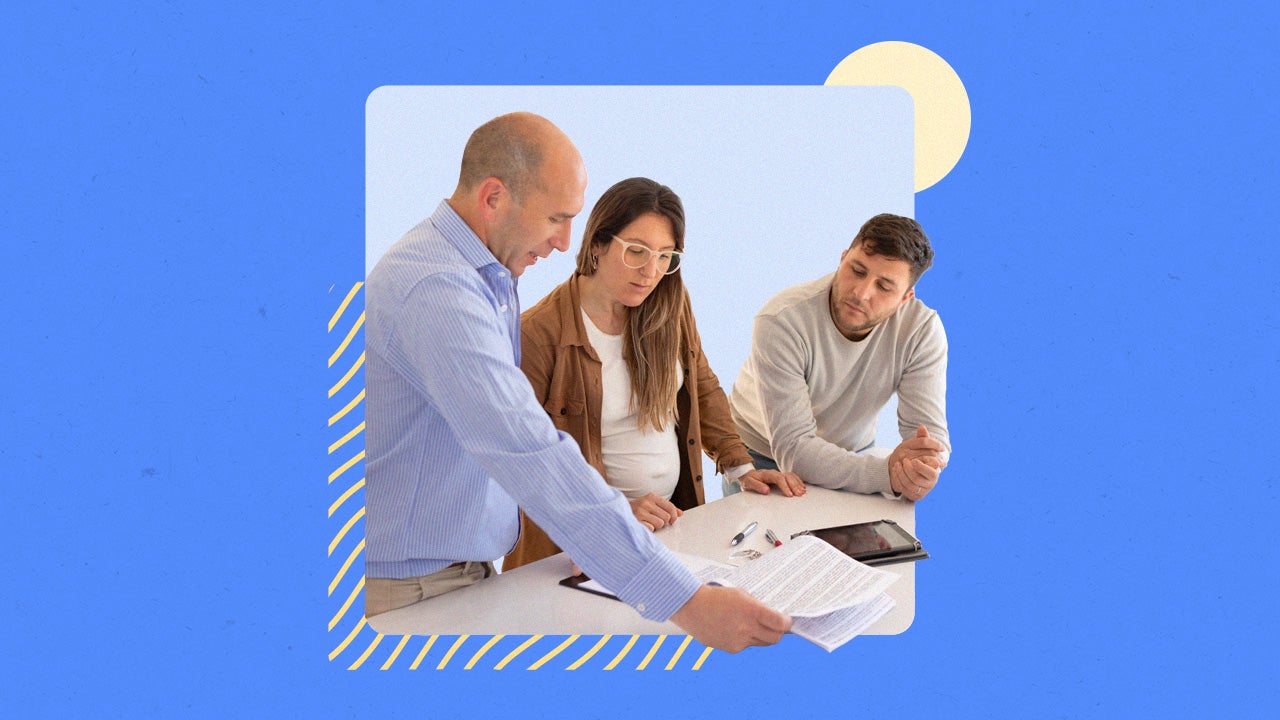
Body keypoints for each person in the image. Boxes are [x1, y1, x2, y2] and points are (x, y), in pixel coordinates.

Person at [363, 112, 790, 652]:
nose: (565, 242)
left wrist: (737, 463)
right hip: (412, 590)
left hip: (464, 572)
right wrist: (687, 601)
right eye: (556, 218)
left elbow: (698, 382)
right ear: (493, 198)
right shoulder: (440, 291)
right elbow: (530, 450)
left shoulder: (490, 275)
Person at [503, 177, 804, 571]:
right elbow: (524, 463)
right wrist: (615, 510)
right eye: (636, 251)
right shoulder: (538, 334)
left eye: (666, 256)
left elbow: (701, 384)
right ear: (597, 244)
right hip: (580, 545)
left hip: (672, 525)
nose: (651, 271)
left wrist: (742, 469)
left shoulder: (669, 305)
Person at [728, 213, 951, 502]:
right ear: (842, 258)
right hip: (763, 456)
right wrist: (889, 474)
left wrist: (921, 466)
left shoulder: (921, 330)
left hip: (854, 451)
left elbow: (929, 435)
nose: (861, 293)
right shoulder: (782, 320)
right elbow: (794, 449)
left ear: (905, 298)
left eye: (884, 287)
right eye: (857, 270)